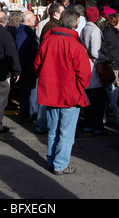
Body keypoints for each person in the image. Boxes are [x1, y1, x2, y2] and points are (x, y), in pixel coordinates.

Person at [34, 9, 91, 174]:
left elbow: (37, 65)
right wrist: (79, 86)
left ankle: (53, 161)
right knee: (66, 132)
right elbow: (84, 73)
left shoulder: (48, 40)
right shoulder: (75, 44)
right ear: (75, 23)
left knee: (54, 129)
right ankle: (60, 164)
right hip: (69, 94)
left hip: (51, 92)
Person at [82, 6, 109, 138]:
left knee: (88, 101)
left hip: (85, 69)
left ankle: (87, 126)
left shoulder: (84, 29)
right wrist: (106, 58)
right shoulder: (95, 31)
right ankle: (97, 128)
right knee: (99, 102)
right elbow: (95, 52)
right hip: (95, 69)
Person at [101, 13, 119, 127]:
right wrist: (112, 60)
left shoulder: (112, 32)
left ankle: (108, 117)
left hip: (115, 66)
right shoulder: (109, 33)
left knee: (111, 95)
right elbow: (105, 48)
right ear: (114, 22)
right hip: (113, 67)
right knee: (113, 94)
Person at [15, 10, 39, 122]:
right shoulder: (23, 32)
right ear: (29, 20)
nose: (35, 19)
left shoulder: (26, 31)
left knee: (30, 91)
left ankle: (30, 112)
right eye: (34, 18)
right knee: (27, 92)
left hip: (29, 67)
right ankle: (26, 113)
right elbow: (22, 51)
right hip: (27, 67)